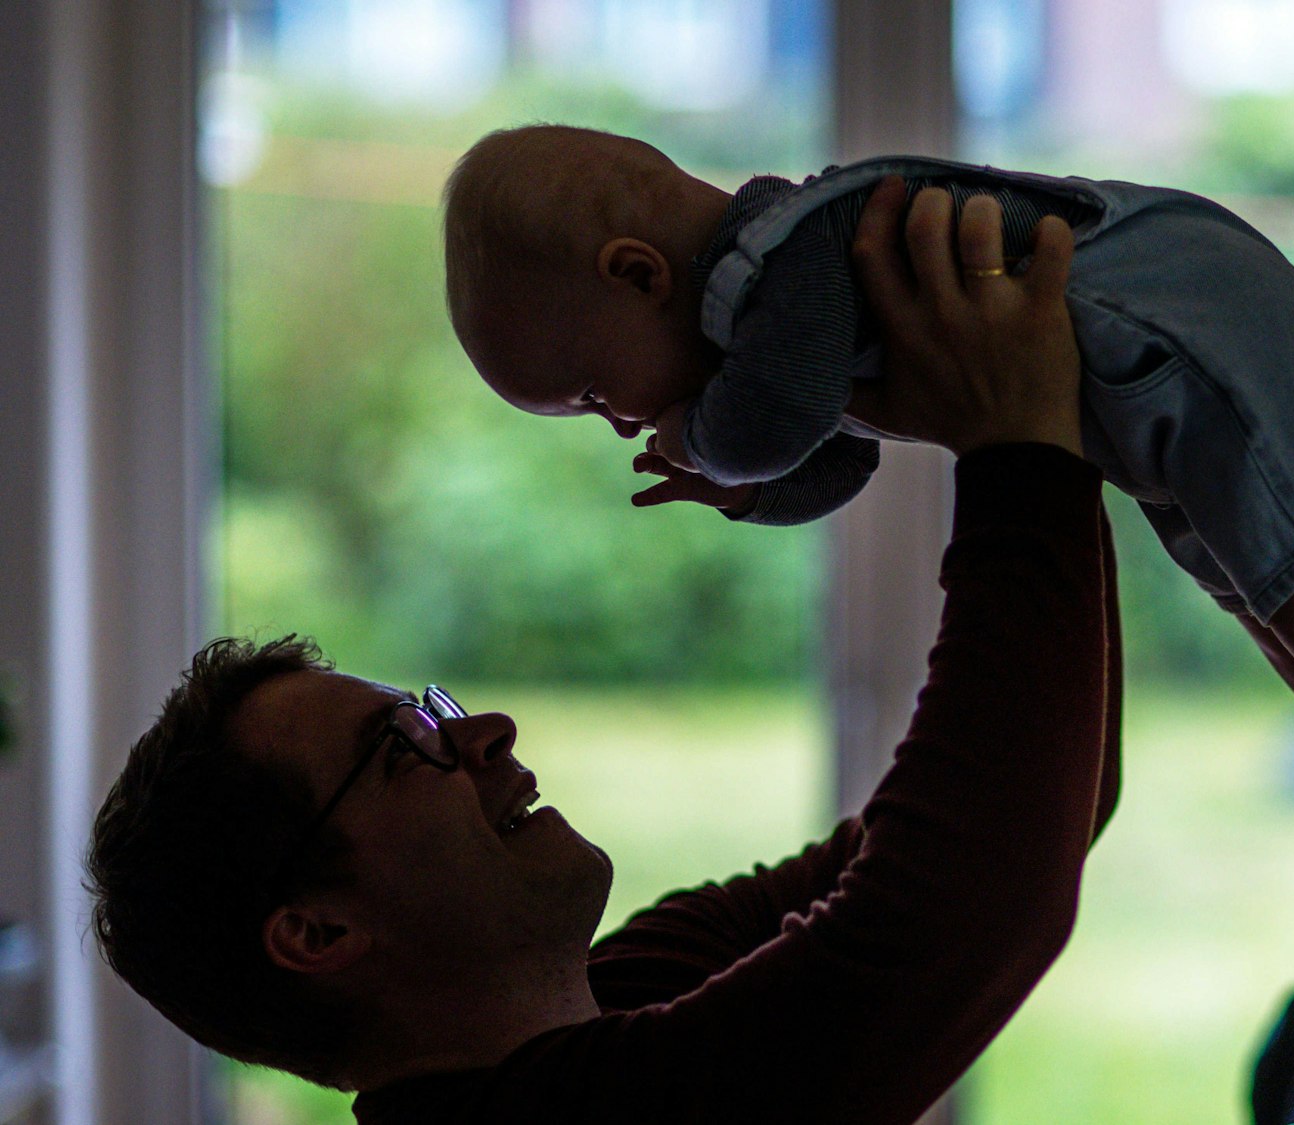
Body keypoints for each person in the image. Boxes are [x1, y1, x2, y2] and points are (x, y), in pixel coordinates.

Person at [86, 186, 1123, 1121]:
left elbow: (1035, 812)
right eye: (409, 746)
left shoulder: (625, 992)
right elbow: (955, 908)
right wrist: (1016, 449)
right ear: (316, 933)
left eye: (434, 709)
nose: (484, 732)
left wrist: (1050, 432)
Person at [441, 124, 1294, 899]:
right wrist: (752, 489)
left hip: (1174, 312)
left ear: (638, 273)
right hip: (1139, 363)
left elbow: (783, 413)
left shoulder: (788, 257)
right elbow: (836, 454)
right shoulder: (784, 311)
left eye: (588, 393)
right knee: (1247, 571)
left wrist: (708, 443)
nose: (615, 422)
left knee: (1290, 556)